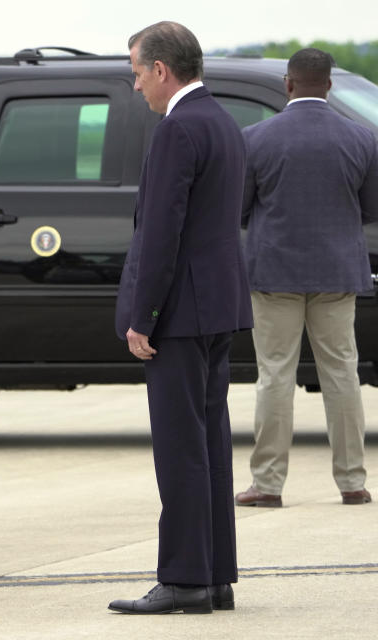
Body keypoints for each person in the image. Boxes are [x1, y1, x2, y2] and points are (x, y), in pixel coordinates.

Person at [109, 21, 252, 614]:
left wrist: (144, 315)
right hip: (218, 306)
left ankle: (185, 577)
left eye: (138, 72)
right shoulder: (223, 122)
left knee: (179, 448)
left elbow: (162, 232)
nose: (137, 84)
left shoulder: (177, 130)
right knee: (210, 444)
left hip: (181, 314)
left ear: (162, 70)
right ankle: (214, 575)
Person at [234, 48, 378, 509]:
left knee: (274, 375)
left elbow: (238, 209)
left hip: (274, 273)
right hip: (338, 273)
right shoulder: (362, 138)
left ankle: (268, 484)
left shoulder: (255, 138)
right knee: (343, 374)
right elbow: (372, 209)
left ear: (288, 84)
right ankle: (352, 481)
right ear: (330, 84)